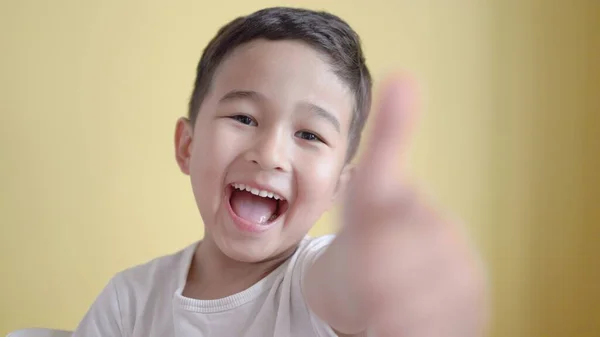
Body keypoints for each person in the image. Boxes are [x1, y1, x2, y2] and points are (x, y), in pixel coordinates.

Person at [72, 6, 486, 337]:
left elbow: (344, 287)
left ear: (340, 186)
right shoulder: (130, 301)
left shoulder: (314, 280)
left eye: (309, 134)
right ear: (187, 145)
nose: (270, 154)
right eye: (244, 118)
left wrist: (381, 271)